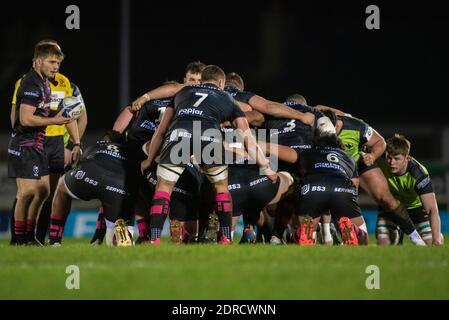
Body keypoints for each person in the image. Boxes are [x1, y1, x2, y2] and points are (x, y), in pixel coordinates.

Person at [139, 65, 277, 244]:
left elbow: (161, 130)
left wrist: (149, 160)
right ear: (221, 83)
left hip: (179, 133)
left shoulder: (183, 92)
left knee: (163, 188)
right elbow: (246, 136)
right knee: (220, 188)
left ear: (202, 80)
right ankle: (226, 237)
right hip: (208, 136)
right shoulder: (227, 98)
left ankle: (154, 239)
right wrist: (265, 167)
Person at [9, 40, 84, 245]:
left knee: (44, 192)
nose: (55, 66)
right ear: (38, 61)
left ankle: (32, 237)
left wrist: (75, 143)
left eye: (57, 62)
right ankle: (18, 238)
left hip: (49, 142)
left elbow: (73, 114)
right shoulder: (28, 82)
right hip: (28, 141)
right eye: (52, 61)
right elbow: (21, 117)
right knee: (27, 192)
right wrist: (51, 121)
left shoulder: (58, 83)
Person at [319, 109, 426, 246]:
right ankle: (328, 232)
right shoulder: (316, 124)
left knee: (386, 198)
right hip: (332, 169)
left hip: (358, 163)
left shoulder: (356, 126)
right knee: (330, 197)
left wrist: (373, 156)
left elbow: (380, 142)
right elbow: (316, 107)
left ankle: (415, 238)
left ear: (337, 124)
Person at [48, 131, 140, 246]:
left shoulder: (97, 145)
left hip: (89, 175)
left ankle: (54, 240)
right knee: (118, 241)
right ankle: (119, 239)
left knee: (62, 186)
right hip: (117, 187)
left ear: (105, 140)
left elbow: (83, 160)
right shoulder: (132, 153)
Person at [376, 134, 443, 245]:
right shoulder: (380, 159)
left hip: (416, 209)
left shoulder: (419, 174)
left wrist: (436, 240)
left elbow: (431, 209)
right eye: (389, 157)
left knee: (430, 243)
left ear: (407, 158)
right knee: (385, 243)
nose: (392, 162)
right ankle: (396, 234)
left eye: (397, 158)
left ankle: (436, 236)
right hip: (392, 207)